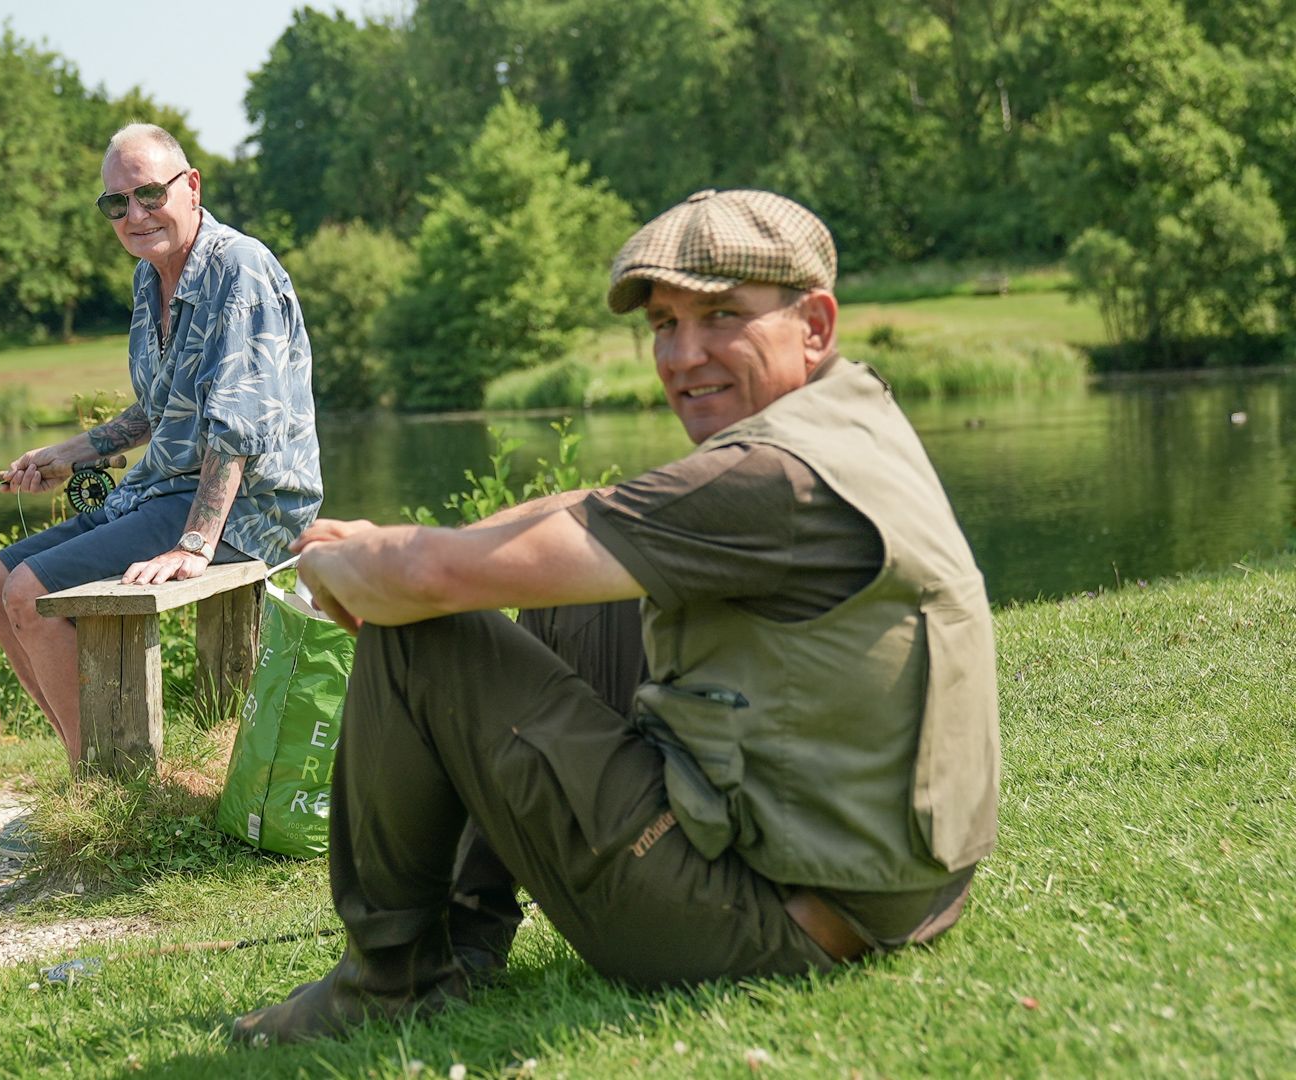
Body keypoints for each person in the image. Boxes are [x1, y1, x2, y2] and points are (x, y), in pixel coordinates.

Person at [231, 189, 1000, 1045]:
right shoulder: (849, 419)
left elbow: (434, 580)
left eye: (722, 315)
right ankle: (465, 933)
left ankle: (390, 984)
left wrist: (342, 561)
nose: (685, 353)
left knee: (428, 634)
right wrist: (399, 545)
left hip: (769, 924)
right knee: (576, 609)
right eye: (666, 323)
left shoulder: (771, 481)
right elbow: (592, 506)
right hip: (883, 884)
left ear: (813, 324)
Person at [0, 123, 322, 766]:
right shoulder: (149, 278)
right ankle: (90, 759)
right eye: (116, 202)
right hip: (164, 491)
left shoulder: (238, 268)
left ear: (190, 187)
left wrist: (193, 544)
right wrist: (74, 452)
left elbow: (237, 423)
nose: (135, 213)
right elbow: (162, 408)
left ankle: (105, 782)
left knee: (28, 593)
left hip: (249, 505)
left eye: (150, 194)